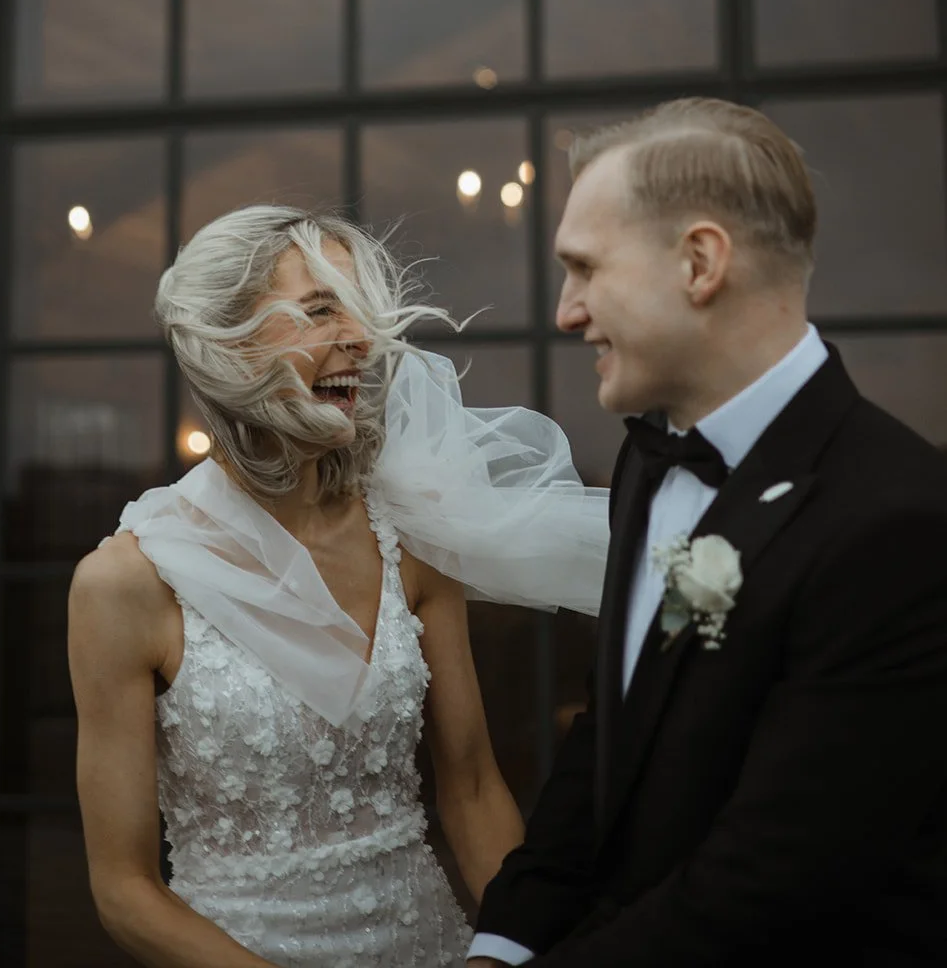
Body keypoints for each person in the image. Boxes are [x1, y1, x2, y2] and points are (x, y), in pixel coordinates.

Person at [470, 97, 947, 968]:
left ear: (699, 262)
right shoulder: (648, 467)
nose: (567, 312)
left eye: (584, 269)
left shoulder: (897, 524)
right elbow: (616, 729)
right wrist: (500, 944)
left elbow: (770, 880)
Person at [68, 206, 611, 968]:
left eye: (360, 310)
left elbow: (475, 789)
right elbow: (123, 889)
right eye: (321, 309)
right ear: (226, 342)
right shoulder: (126, 582)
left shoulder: (412, 541)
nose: (359, 337)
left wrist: (519, 952)